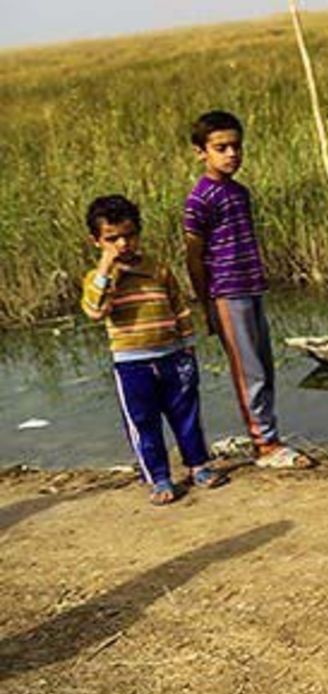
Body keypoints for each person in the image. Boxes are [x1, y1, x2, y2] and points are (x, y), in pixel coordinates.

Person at [183, 109, 311, 469]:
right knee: (248, 370)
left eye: (236, 147)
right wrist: (206, 303)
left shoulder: (239, 192)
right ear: (201, 152)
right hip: (226, 292)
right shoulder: (200, 198)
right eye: (221, 147)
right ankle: (264, 444)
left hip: (250, 286)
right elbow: (194, 256)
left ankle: (269, 434)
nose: (231, 154)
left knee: (264, 365)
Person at [80, 195, 228, 505]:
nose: (123, 244)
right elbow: (95, 310)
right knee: (143, 422)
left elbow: (178, 307)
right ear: (96, 241)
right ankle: (159, 477)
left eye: (129, 235)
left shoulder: (157, 269)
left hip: (173, 356)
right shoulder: (97, 279)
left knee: (186, 414)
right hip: (132, 363)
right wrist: (107, 268)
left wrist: (188, 348)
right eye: (112, 238)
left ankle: (198, 465)